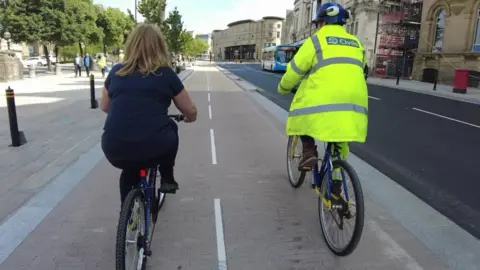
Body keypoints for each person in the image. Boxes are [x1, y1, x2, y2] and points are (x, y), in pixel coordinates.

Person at [100, 23, 198, 205]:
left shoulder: (116, 72)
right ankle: (167, 177)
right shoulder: (166, 74)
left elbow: (104, 106)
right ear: (159, 46)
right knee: (172, 128)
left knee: (129, 170)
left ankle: (128, 217)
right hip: (154, 144)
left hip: (114, 146)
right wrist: (191, 117)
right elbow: (189, 110)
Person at [277, 2, 368, 195]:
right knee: (338, 142)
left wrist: (283, 87)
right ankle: (336, 188)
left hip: (325, 100)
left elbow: (294, 71)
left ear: (322, 23)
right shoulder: (356, 43)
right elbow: (363, 70)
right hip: (353, 102)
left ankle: (309, 150)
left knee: (301, 113)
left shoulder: (316, 41)